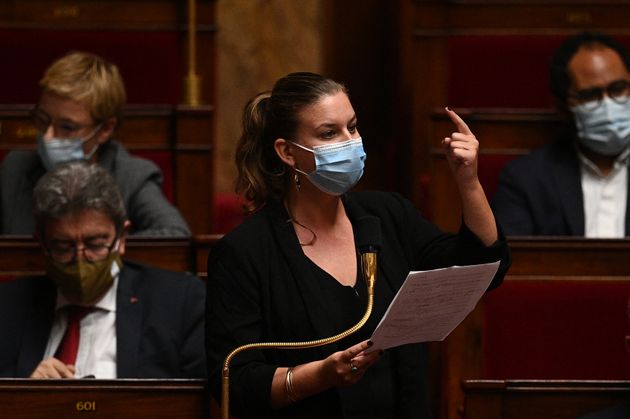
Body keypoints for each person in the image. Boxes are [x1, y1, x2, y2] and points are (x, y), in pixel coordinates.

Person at [205, 72, 511, 418]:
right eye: (329, 133)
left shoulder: (388, 215)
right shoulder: (245, 252)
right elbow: (235, 381)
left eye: (352, 127)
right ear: (287, 152)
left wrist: (468, 181)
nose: (350, 142)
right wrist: (318, 376)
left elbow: (483, 268)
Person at [0, 162, 205, 379]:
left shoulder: (178, 303)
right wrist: (22, 397)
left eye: (95, 244)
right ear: (42, 243)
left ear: (122, 238)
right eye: (63, 246)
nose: (80, 259)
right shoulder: (7, 307)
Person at [0, 50, 190, 237]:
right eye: (42, 120)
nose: (48, 136)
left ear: (105, 129)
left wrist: (102, 249)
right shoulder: (17, 168)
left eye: (67, 127)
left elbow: (176, 235)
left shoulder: (131, 177)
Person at [492, 32, 630, 237]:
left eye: (618, 89)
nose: (608, 105)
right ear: (563, 107)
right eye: (590, 95)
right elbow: (512, 260)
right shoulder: (526, 178)